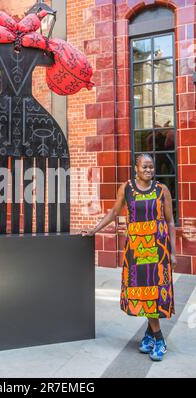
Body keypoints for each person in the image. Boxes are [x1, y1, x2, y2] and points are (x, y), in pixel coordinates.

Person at [81, 153, 177, 361]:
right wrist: (94, 230)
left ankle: (159, 339)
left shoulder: (162, 190)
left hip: (157, 249)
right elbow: (113, 213)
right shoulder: (127, 188)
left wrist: (174, 252)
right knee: (142, 295)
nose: (149, 170)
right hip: (136, 249)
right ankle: (150, 336)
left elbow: (170, 222)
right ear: (135, 168)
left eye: (151, 167)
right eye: (144, 167)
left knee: (154, 295)